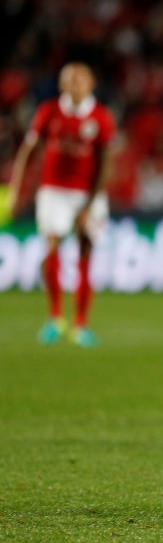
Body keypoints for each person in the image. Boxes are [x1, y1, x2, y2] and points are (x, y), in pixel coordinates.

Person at [7, 62, 116, 347]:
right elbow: (28, 151)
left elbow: (106, 164)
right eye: (70, 79)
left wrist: (90, 204)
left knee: (85, 250)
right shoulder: (49, 111)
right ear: (62, 84)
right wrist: (17, 190)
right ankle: (55, 318)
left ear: (91, 84)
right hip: (53, 191)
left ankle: (81, 324)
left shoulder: (101, 117)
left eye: (80, 79)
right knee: (52, 246)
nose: (75, 84)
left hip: (88, 193)